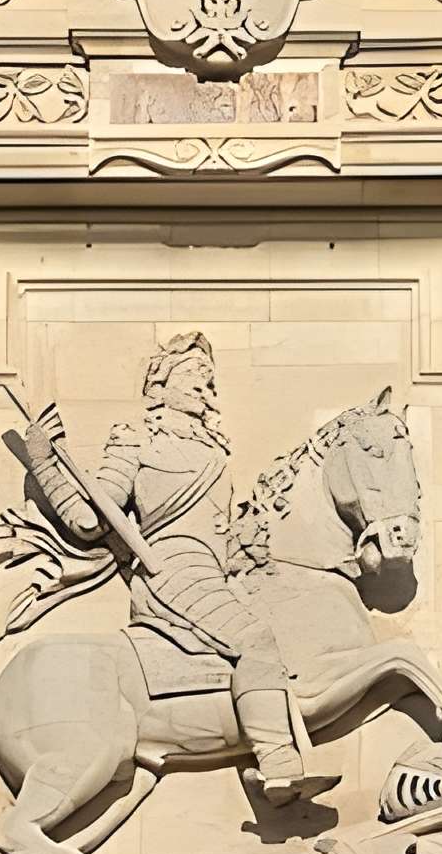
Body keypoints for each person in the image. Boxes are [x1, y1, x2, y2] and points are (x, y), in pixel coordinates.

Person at [24, 331, 321, 800]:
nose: (203, 383)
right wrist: (43, 463)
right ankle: (277, 762)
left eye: (208, 376)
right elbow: (88, 519)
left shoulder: (215, 450)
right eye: (190, 374)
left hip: (217, 572)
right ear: (158, 386)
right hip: (171, 571)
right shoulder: (136, 440)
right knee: (254, 639)